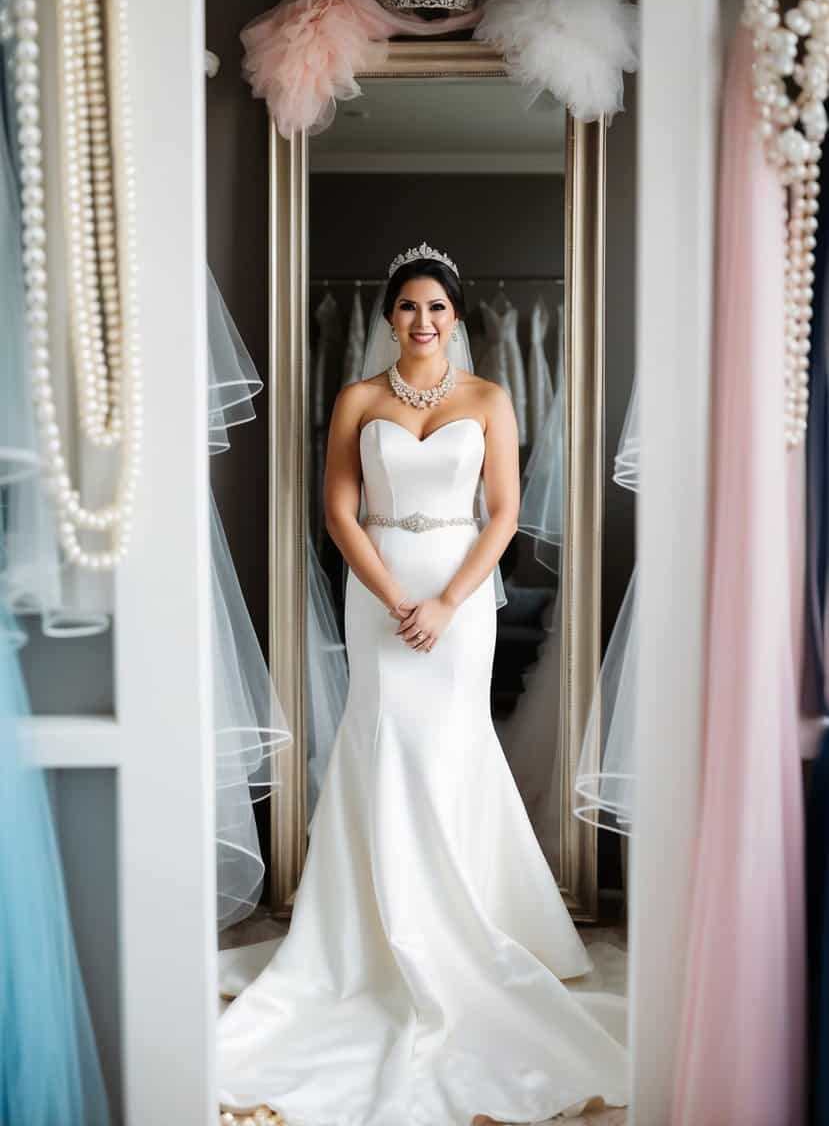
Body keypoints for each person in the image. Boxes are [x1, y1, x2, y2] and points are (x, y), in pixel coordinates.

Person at [217, 244, 628, 1126]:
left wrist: (446, 600)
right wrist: (397, 595)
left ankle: (467, 918)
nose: (422, 321)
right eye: (408, 306)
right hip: (379, 593)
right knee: (382, 744)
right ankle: (367, 932)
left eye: (437, 307)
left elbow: (506, 511)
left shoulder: (488, 399)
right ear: (389, 315)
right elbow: (336, 509)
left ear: (457, 316)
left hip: (461, 596)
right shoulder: (356, 399)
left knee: (449, 746)